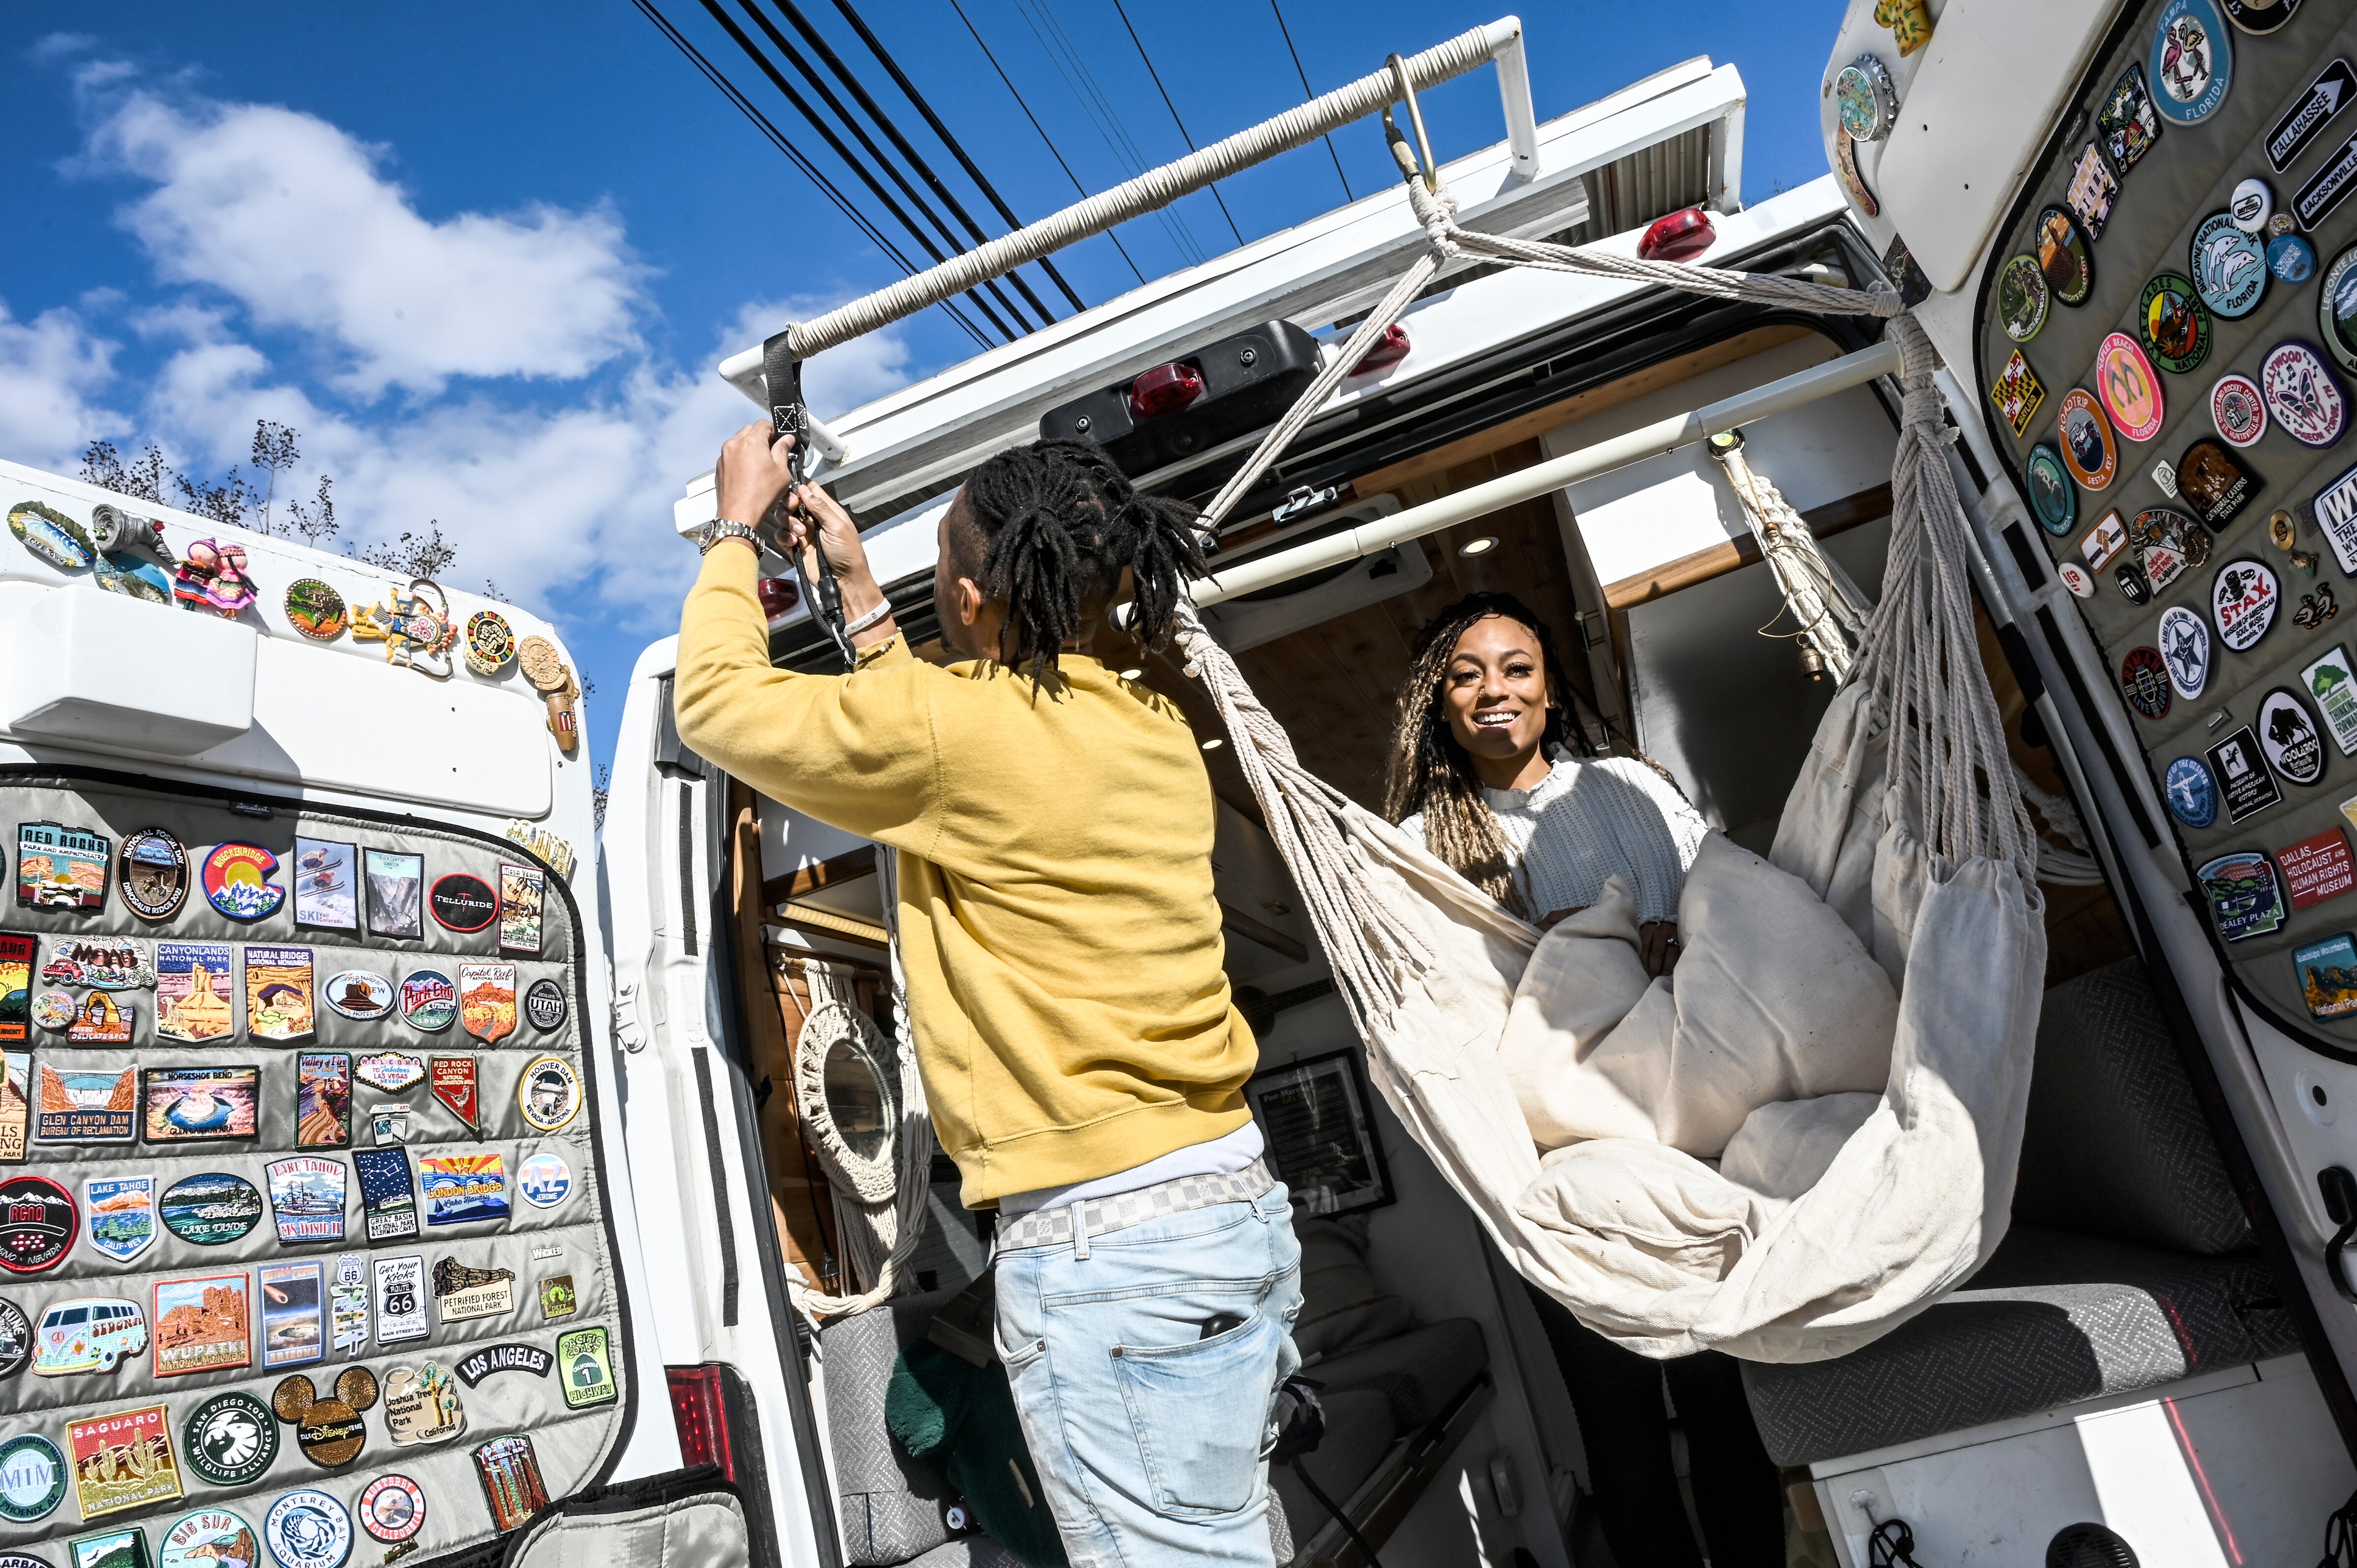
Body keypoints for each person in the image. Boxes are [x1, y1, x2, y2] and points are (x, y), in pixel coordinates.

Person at [675, 427, 1301, 1568]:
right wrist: (862, 597)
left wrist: (732, 530)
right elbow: (952, 728)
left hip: (1112, 1255)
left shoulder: (953, 734)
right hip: (1230, 1207)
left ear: (966, 597)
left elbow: (715, 703)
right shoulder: (1150, 725)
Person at [1382, 591, 1782, 1568]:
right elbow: (1438, 1013)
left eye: (1516, 667)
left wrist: (1674, 939)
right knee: (1622, 1432)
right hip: (1556, 1176)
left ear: (1551, 687)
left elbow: (1728, 920)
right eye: (1466, 674)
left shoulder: (1635, 789)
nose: (1493, 691)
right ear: (1439, 705)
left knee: (1727, 1403)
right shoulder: (1415, 852)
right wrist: (1569, 953)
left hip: (1687, 1141)